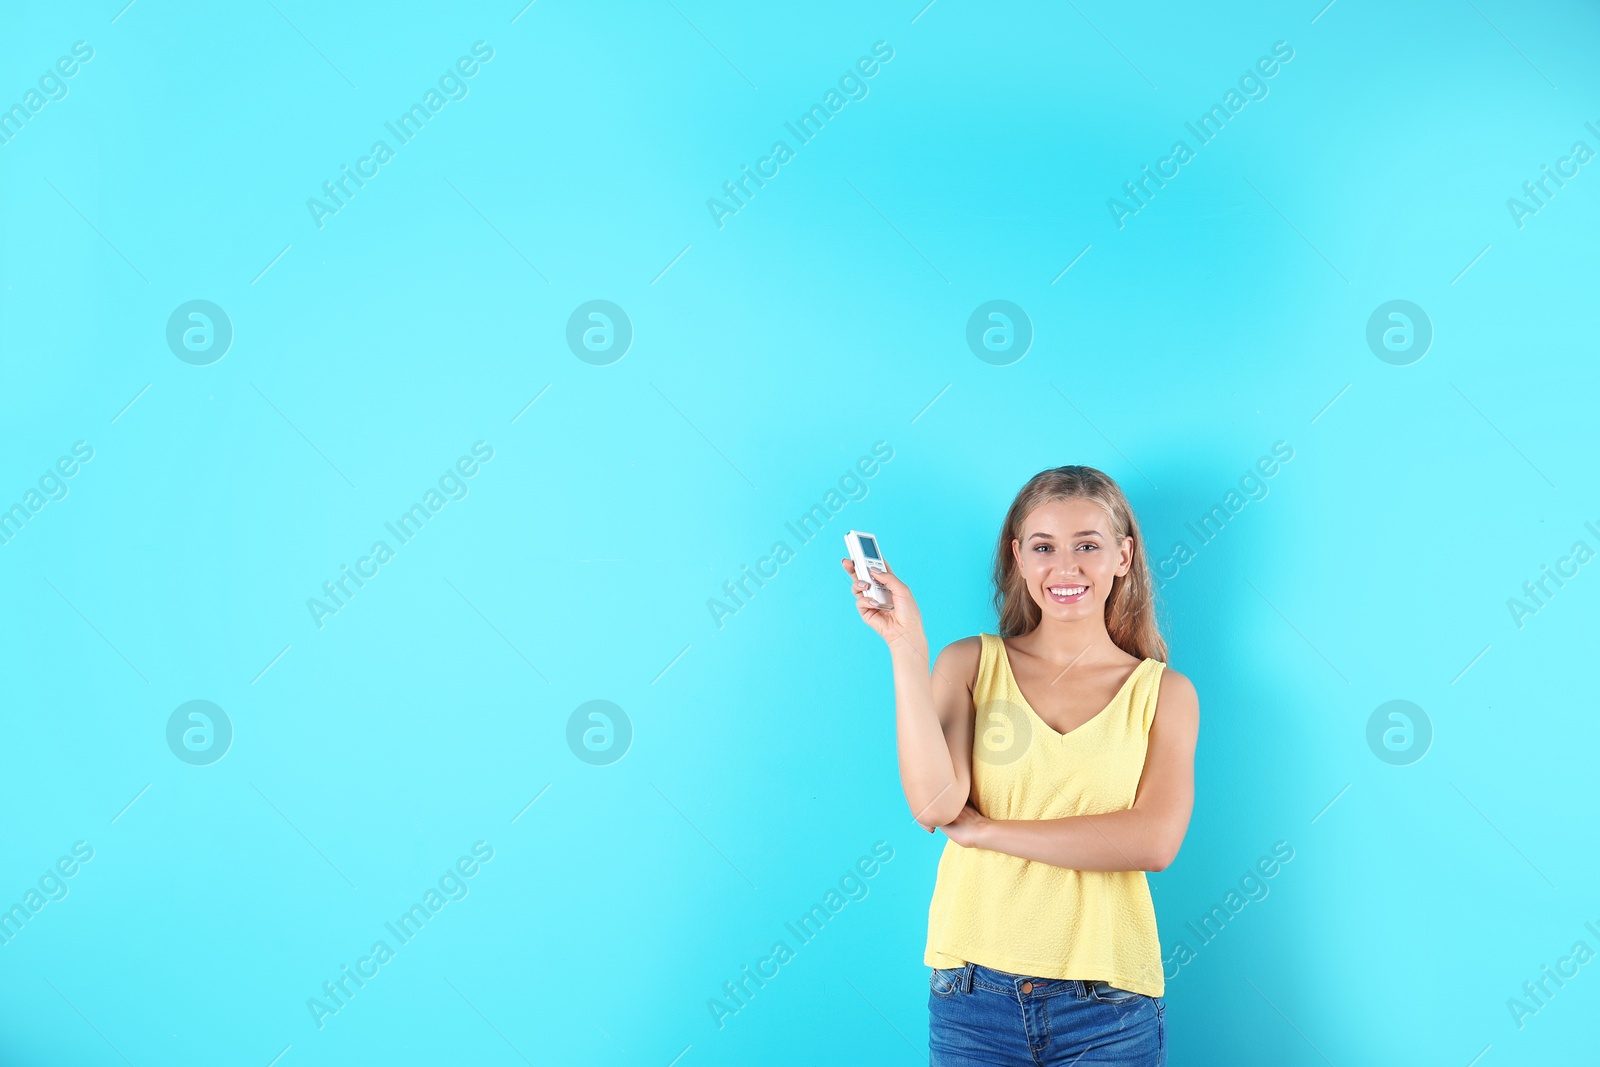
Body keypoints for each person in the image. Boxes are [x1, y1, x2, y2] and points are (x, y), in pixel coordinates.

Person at [842, 465, 1199, 1066]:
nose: (1066, 567)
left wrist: (988, 831)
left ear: (1123, 556)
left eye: (1088, 545)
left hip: (1108, 1004)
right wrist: (906, 647)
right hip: (973, 998)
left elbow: (1154, 842)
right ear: (1018, 558)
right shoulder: (968, 665)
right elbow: (935, 805)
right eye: (1044, 547)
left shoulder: (1164, 693)